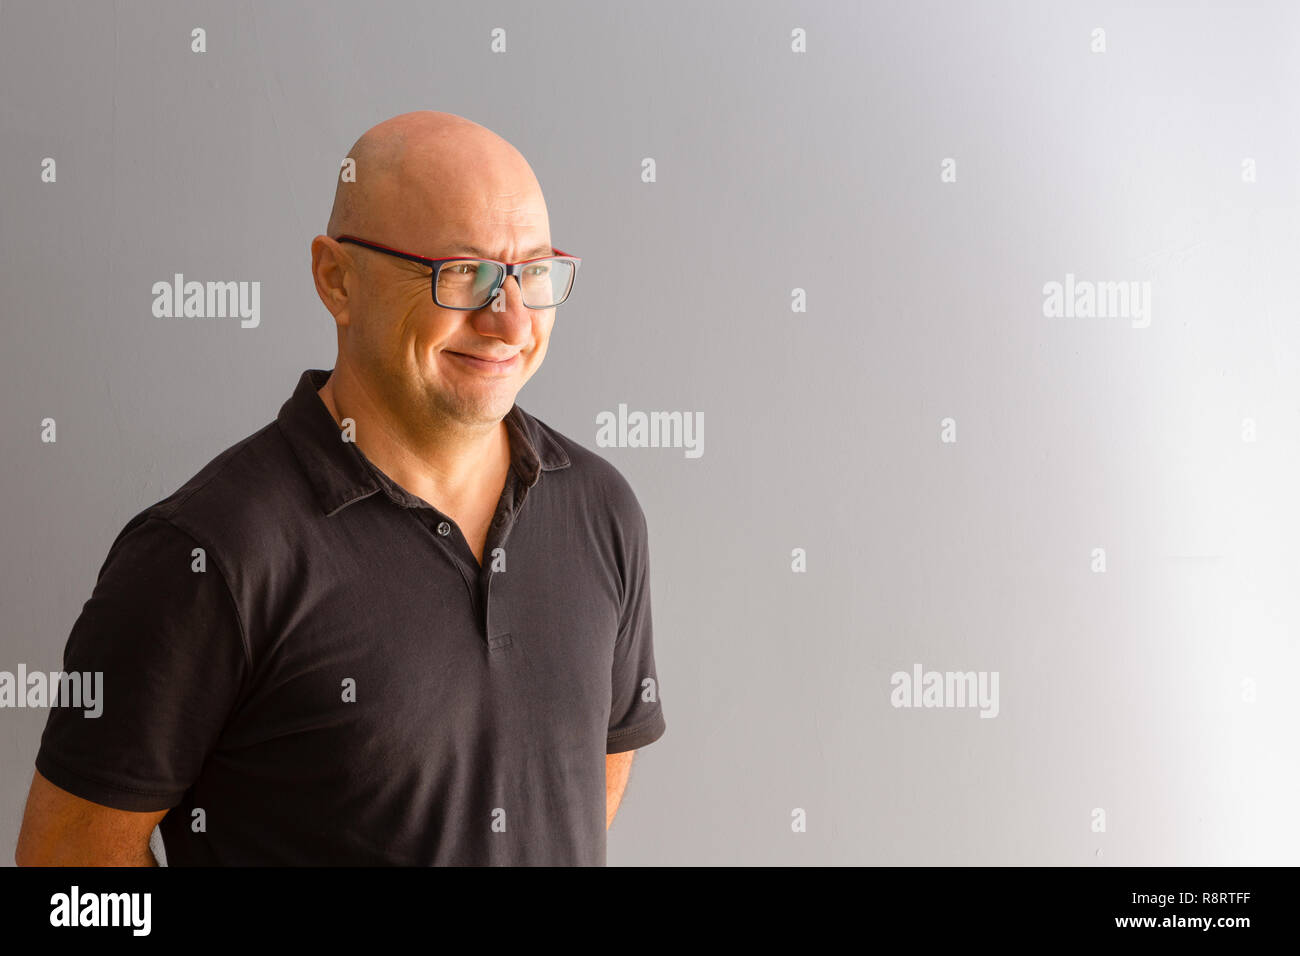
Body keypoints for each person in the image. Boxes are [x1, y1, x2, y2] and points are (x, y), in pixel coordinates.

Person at [15, 110, 666, 866]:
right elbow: (66, 879)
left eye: (533, 273)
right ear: (337, 279)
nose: (510, 320)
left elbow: (579, 790)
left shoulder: (600, 510)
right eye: (462, 274)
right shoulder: (209, 557)